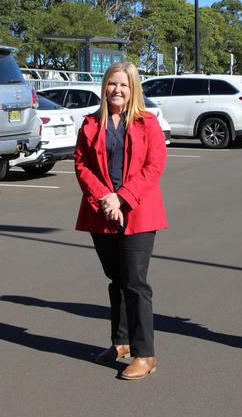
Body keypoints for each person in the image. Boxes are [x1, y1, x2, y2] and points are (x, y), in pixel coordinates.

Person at [74, 61, 167, 380]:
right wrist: (105, 198)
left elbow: (154, 166)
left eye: (124, 85)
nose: (117, 90)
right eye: (113, 83)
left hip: (138, 213)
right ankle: (122, 342)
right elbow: (82, 165)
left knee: (135, 283)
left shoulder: (147, 122)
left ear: (133, 89)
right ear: (104, 87)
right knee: (116, 279)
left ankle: (146, 353)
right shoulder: (89, 123)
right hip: (102, 213)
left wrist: (122, 197)